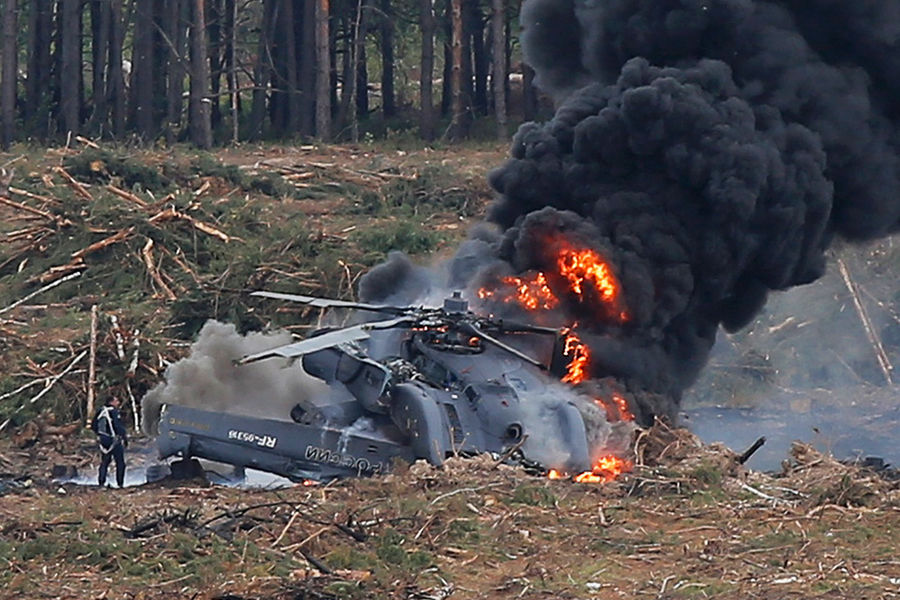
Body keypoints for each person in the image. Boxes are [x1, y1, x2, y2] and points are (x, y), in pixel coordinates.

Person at [91, 397, 128, 488]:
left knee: (105, 462)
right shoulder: (113, 412)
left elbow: (94, 425)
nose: (118, 403)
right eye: (117, 401)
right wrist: (124, 437)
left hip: (103, 440)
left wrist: (100, 436)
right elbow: (117, 426)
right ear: (111, 402)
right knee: (120, 463)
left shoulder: (101, 411)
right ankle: (120, 483)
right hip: (114, 440)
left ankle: (101, 482)